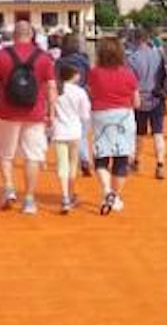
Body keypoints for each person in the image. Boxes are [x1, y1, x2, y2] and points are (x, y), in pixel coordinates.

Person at [0, 20, 57, 215]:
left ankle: (9, 188)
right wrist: (52, 112)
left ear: (14, 35)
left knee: (5, 153)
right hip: (35, 113)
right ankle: (29, 199)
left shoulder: (2, 55)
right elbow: (51, 87)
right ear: (32, 35)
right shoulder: (44, 57)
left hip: (8, 112)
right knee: (32, 156)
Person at [88, 36, 140, 216]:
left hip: (100, 116)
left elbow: (91, 92)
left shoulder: (94, 72)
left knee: (101, 157)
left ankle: (106, 190)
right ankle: (115, 196)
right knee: (121, 159)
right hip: (123, 116)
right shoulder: (128, 73)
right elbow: (137, 102)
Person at [127, 28, 167, 179]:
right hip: (157, 97)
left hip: (140, 99)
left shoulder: (132, 59)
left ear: (135, 40)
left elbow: (130, 82)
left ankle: (137, 160)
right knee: (158, 133)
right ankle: (160, 164)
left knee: (139, 134)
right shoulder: (158, 54)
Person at [51, 63, 91, 214]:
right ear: (72, 75)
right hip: (74, 132)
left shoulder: (56, 89)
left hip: (59, 131)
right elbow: (85, 114)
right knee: (73, 163)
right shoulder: (79, 92)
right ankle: (70, 192)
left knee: (62, 164)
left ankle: (64, 196)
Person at [56, 32, 92, 175]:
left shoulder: (60, 62)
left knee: (65, 129)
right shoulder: (85, 60)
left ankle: (75, 159)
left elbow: (56, 80)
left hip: (65, 96)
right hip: (82, 95)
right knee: (82, 132)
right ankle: (84, 158)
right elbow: (90, 78)